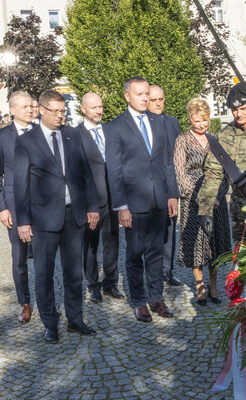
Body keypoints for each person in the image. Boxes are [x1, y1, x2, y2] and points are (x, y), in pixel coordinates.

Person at [14, 89, 100, 343]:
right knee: (44, 273)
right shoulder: (27, 141)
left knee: (74, 272)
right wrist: (23, 221)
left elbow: (87, 174)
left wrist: (92, 207)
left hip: (74, 216)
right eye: (56, 111)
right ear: (41, 110)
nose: (61, 116)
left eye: (63, 111)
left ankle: (75, 319)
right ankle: (50, 322)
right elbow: (21, 185)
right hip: (43, 221)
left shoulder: (73, 135)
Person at [105, 76, 179, 323]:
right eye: (140, 94)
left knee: (156, 253)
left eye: (147, 93)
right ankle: (139, 301)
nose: (145, 98)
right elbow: (114, 170)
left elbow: (166, 162)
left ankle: (157, 297)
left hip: (159, 199)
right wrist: (121, 206)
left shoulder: (159, 123)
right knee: (135, 255)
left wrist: (172, 194)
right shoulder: (115, 127)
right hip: (133, 205)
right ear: (127, 96)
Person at [198, 81, 246, 242]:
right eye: (234, 110)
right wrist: (205, 211)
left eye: (243, 108)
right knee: (243, 259)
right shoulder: (224, 136)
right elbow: (213, 174)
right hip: (240, 209)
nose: (238, 114)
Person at [174, 98, 231, 305]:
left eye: (204, 121)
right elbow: (180, 172)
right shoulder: (182, 140)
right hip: (193, 199)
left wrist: (217, 197)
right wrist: (196, 196)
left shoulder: (215, 140)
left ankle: (214, 284)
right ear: (190, 119)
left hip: (216, 197)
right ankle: (199, 285)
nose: (201, 125)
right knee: (197, 243)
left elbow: (226, 170)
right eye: (197, 121)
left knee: (214, 243)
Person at [0, 91, 34, 323]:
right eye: (25, 106)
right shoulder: (1, 136)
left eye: (32, 106)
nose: (30, 109)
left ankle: (48, 301)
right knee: (19, 257)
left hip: (42, 204)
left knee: (46, 256)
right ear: (13, 110)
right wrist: (2, 208)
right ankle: (24, 302)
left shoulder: (40, 132)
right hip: (14, 206)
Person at [77, 92, 123, 303]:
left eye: (100, 106)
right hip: (92, 200)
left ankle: (110, 282)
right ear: (83, 109)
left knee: (112, 240)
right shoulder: (75, 135)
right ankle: (93, 284)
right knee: (91, 245)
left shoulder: (109, 130)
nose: (98, 111)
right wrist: (87, 204)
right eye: (93, 107)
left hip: (114, 197)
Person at [147, 84, 182, 287]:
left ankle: (167, 271)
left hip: (171, 186)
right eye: (154, 100)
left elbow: (175, 159)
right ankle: (153, 272)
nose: (158, 103)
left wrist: (174, 192)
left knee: (169, 232)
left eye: (161, 99)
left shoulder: (172, 122)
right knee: (152, 235)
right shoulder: (143, 124)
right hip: (150, 189)